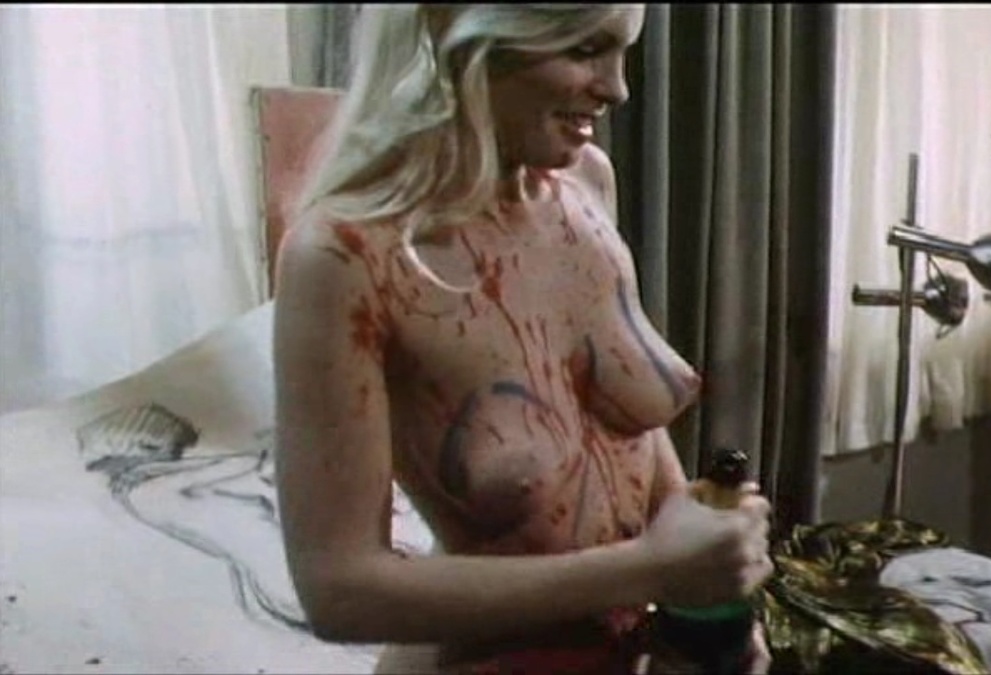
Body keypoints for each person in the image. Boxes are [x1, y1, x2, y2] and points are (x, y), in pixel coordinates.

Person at [272, 5, 774, 673]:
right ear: (459, 30)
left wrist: (705, 592)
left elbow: (625, 427)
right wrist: (650, 570)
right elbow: (338, 590)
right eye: (583, 49)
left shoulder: (585, 184)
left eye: (622, 51)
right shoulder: (345, 255)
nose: (617, 88)